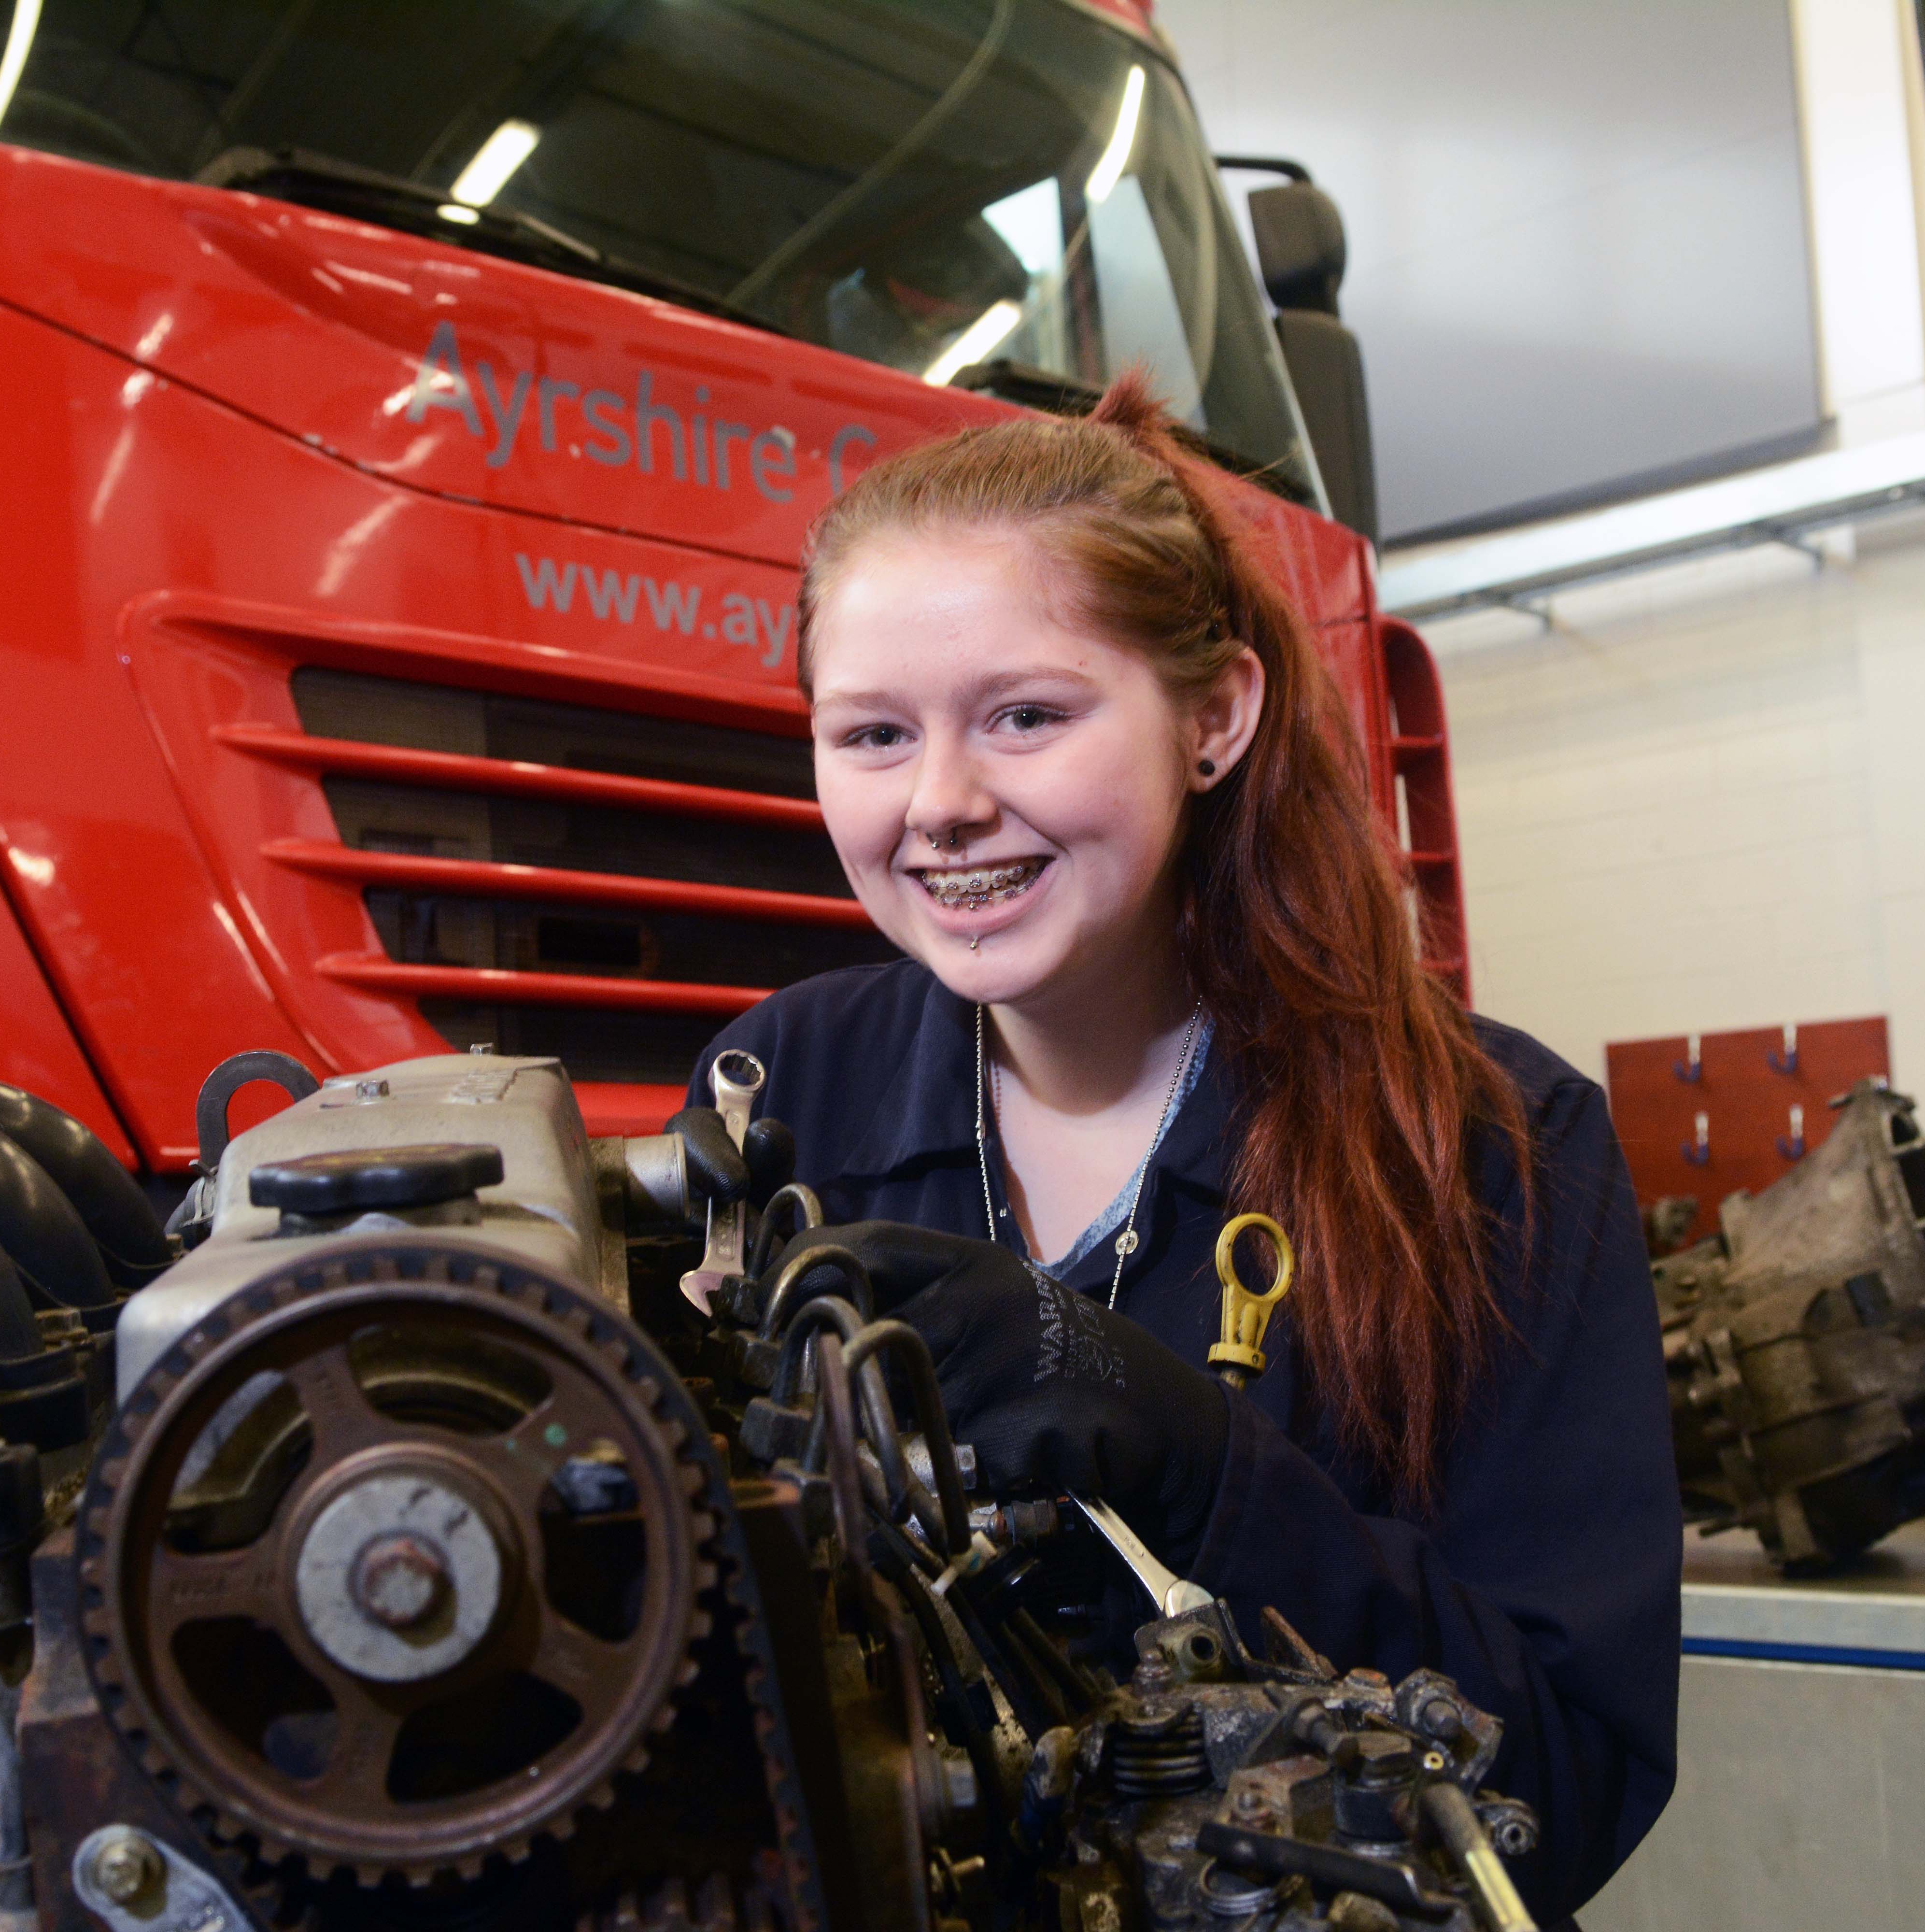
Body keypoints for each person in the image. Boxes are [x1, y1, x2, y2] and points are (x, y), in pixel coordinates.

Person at [675, 375, 1679, 1926]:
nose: (941, 804)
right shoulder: (776, 1087)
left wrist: (1192, 1462)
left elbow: (1569, 1779)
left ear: (1214, 718)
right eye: (871, 734)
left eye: (1027, 716)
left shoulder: (1490, 1146)